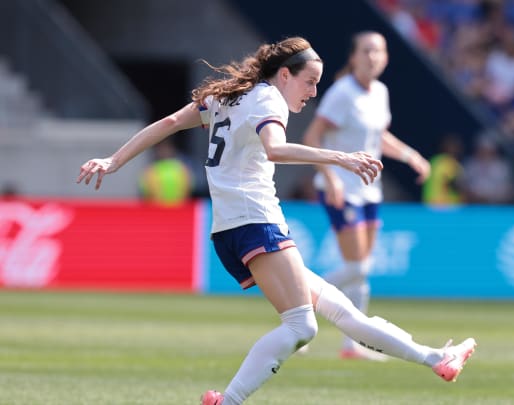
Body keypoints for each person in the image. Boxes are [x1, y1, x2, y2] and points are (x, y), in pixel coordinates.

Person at [76, 36, 475, 405]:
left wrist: (114, 160)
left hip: (234, 227)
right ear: (284, 74)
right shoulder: (269, 100)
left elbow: (168, 124)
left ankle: (437, 358)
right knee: (302, 326)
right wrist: (340, 157)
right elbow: (276, 149)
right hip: (255, 222)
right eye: (309, 82)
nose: (313, 92)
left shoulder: (226, 97)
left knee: (342, 312)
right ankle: (228, 401)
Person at [302, 31, 431, 360]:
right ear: (354, 57)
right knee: (358, 266)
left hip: (370, 189)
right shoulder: (342, 93)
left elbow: (379, 135)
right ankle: (298, 306)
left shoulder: (380, 92)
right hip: (343, 189)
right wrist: (330, 177)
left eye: (379, 51)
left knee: (360, 268)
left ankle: (352, 345)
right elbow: (313, 136)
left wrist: (409, 155)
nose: (373, 56)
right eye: (367, 51)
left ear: (386, 58)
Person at [138, 138, 193, 206]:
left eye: (165, 149)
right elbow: (145, 189)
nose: (164, 151)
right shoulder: (152, 169)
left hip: (178, 207)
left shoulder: (181, 168)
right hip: (158, 208)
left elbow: (188, 187)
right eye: (162, 149)